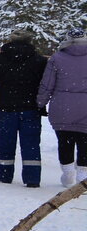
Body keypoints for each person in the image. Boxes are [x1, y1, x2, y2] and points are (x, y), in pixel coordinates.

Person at [0, 30, 48, 186]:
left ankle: (4, 174)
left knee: (5, 141)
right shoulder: (39, 60)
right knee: (31, 143)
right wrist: (42, 104)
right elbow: (45, 85)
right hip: (31, 107)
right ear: (29, 41)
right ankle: (32, 178)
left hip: (6, 107)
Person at [36, 27, 87, 188]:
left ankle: (67, 173)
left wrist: (40, 103)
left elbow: (47, 84)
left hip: (62, 107)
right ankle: (83, 174)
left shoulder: (57, 58)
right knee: (85, 142)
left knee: (65, 141)